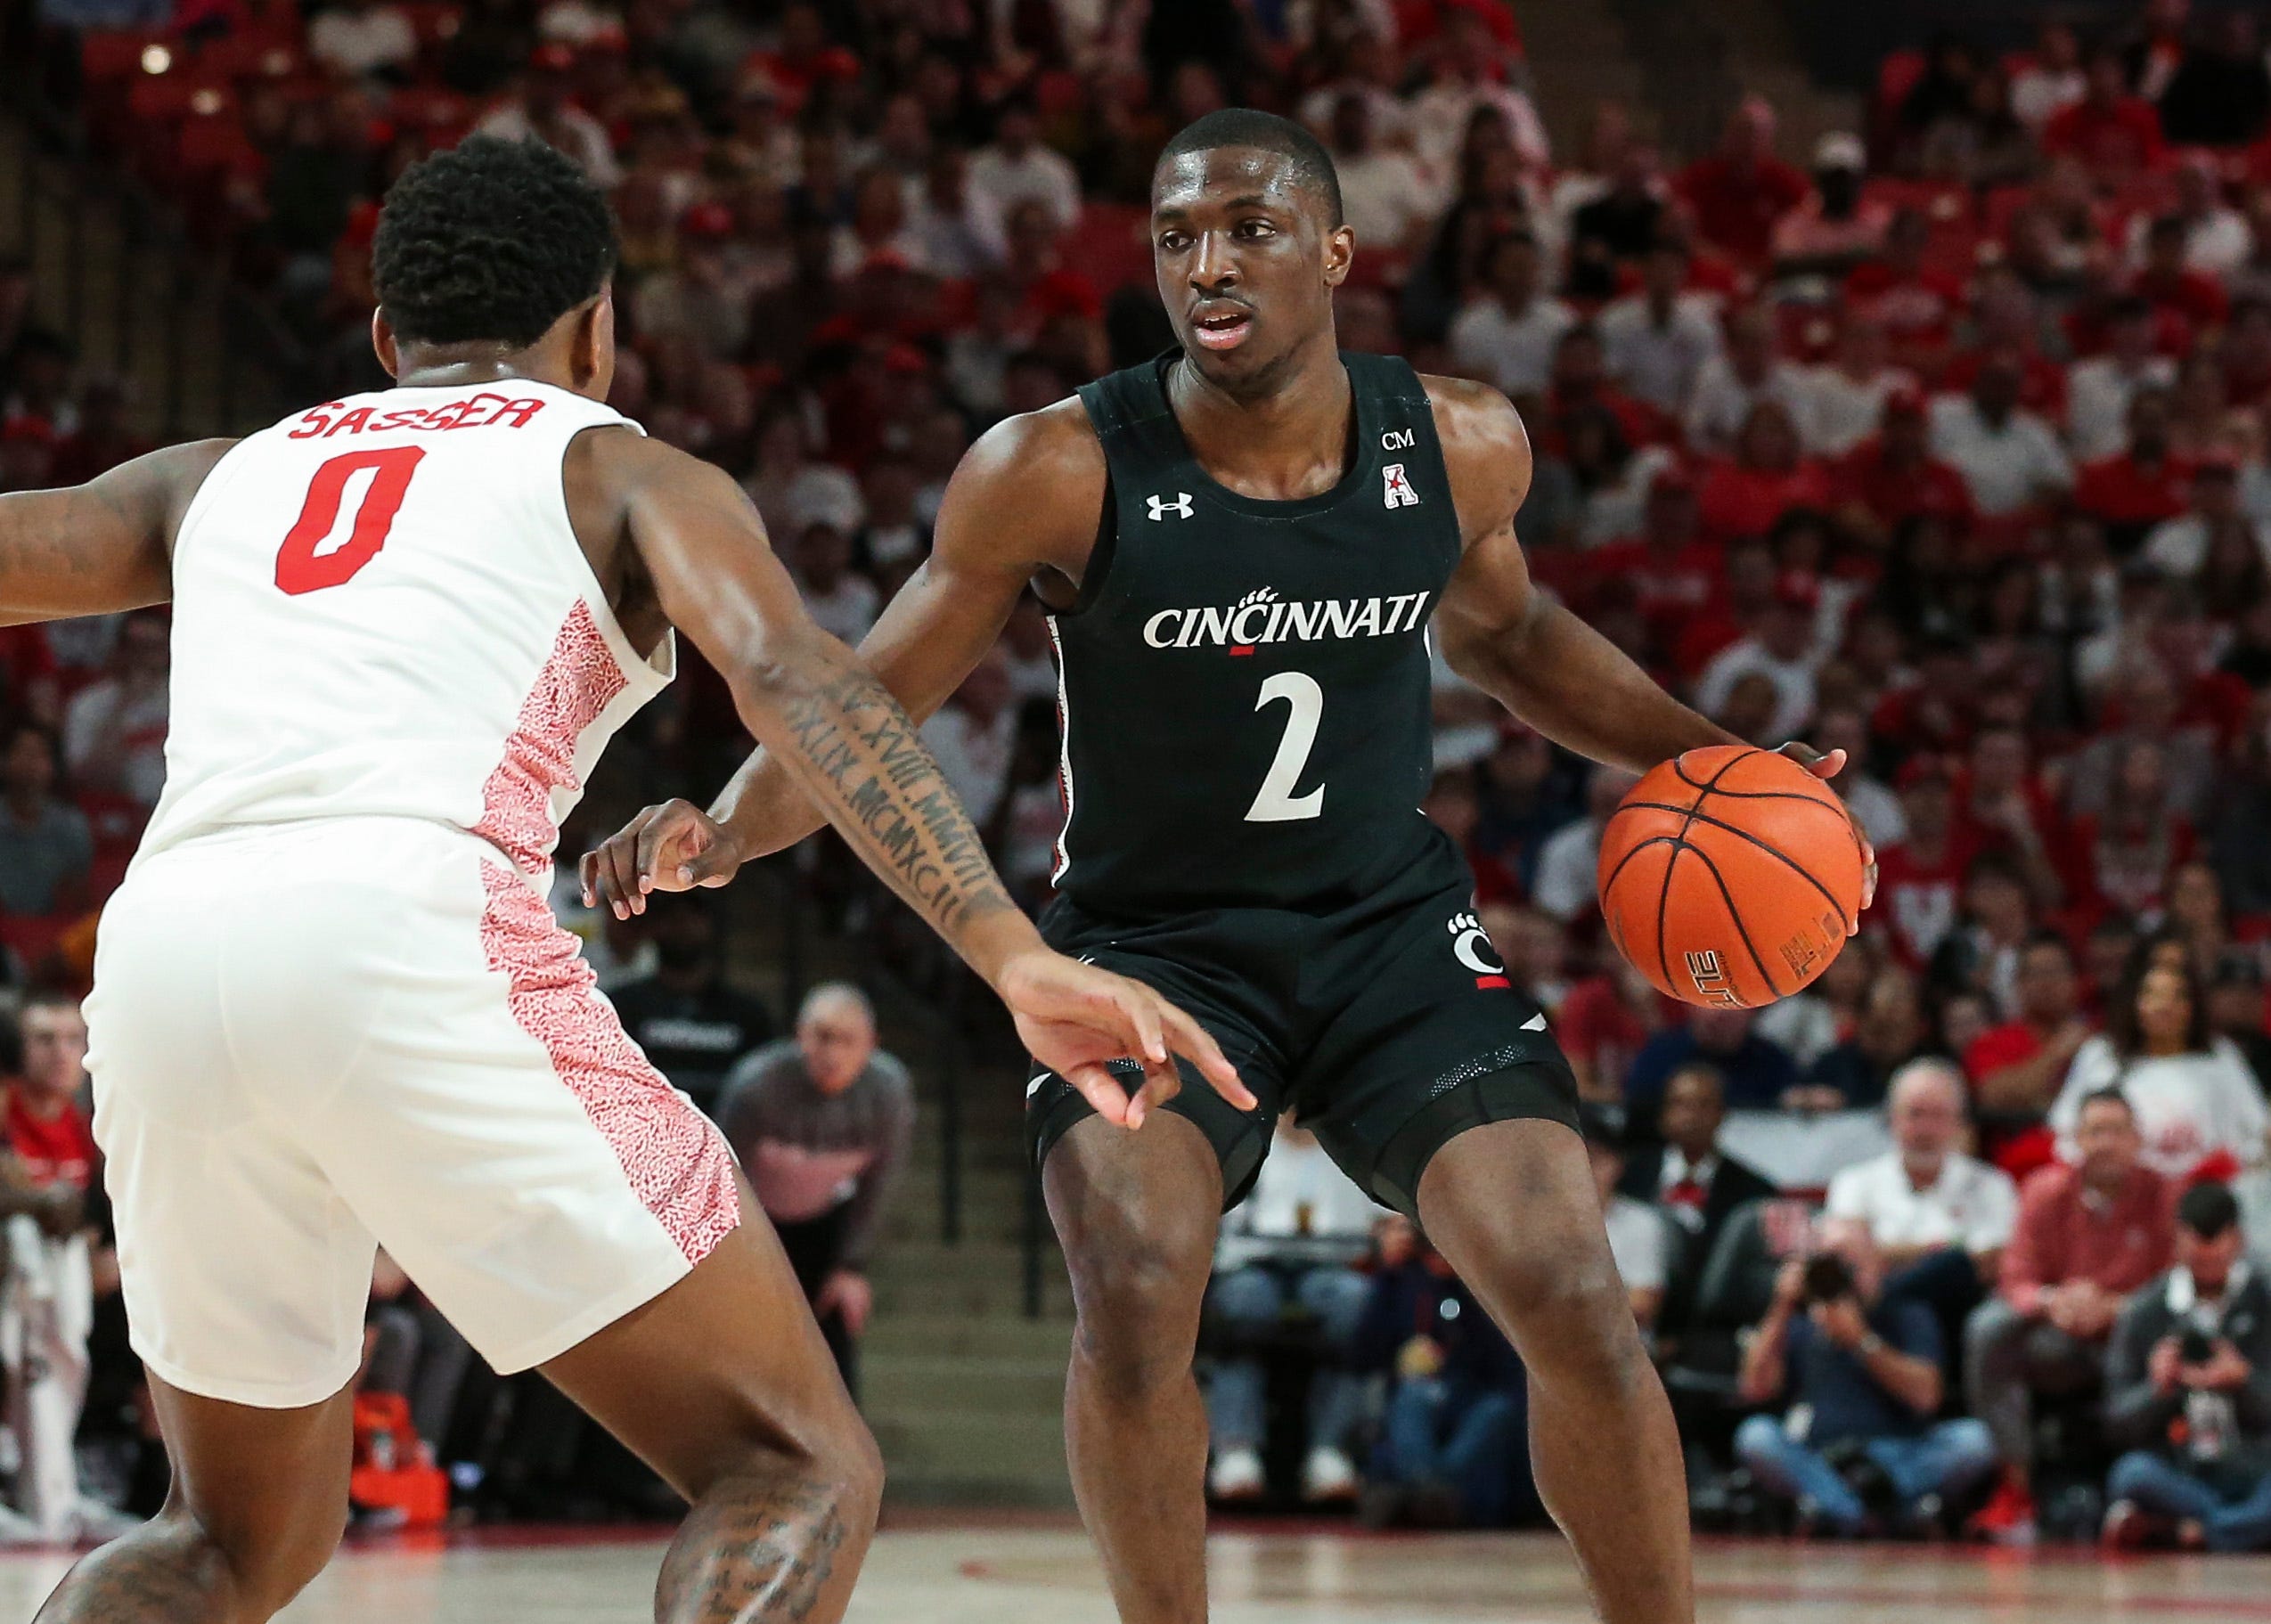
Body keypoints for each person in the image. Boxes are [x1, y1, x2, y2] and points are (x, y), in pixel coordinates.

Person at [587, 108, 1879, 1624]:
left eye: (1250, 230)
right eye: (1176, 236)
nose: (1207, 264)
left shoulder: (1455, 442)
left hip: (1387, 936)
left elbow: (1515, 636)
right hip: (1152, 949)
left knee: (1571, 1288)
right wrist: (726, 825)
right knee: (1135, 1288)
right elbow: (872, 692)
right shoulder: (1053, 467)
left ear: (1332, 253)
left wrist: (1717, 757)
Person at [7, 137, 1241, 1624]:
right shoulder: (617, 465)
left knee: (219, 1539)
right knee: (792, 1462)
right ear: (598, 332)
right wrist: (1002, 942)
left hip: (159, 957)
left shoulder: (217, 475)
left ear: (386, 337)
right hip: (407, 926)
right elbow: (799, 679)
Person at [1965, 1088, 2175, 1543]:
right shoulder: (2044, 1191)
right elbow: (2015, 1276)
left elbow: (2178, 1283)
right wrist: (2054, 1302)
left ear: (2137, 1140)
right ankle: (2015, 1486)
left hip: (2135, 1342)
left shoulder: (2164, 1195)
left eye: (2116, 1131)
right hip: (2058, 1336)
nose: (2105, 1143)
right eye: (2095, 1132)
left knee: (2177, 1333)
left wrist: (2117, 1307)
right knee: (1987, 1329)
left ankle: (2156, 1491)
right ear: (2076, 1140)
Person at [1734, 1220, 1997, 1536]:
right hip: (1821, 1456)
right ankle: (1871, 1513)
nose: (1843, 1275)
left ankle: (1842, 1508)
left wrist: (1861, 1341)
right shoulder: (1803, 1318)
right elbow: (1753, 1387)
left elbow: (1927, 1398)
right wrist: (1782, 1305)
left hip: (1900, 1453)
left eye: (1851, 1263)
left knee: (1975, 1440)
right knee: (1756, 1436)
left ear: (1877, 1264)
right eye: (1831, 1263)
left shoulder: (1906, 1313)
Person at [715, 984, 913, 1394]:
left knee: (836, 1333)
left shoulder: (888, 1092)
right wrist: (732, 1261)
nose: (832, 1054)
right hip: (753, 1227)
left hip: (824, 1226)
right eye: (822, 1037)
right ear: (799, 1036)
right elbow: (721, 1178)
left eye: (847, 1041)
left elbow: (882, 1181)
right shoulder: (756, 1086)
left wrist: (852, 1266)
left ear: (871, 1045)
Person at [0, 992, 135, 1544]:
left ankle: (60, 1485)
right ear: (17, 1048)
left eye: (72, 1040)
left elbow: (99, 1223)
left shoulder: (90, 1128)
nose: (60, 1053)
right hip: (14, 1278)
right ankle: (42, 1489)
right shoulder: (5, 1110)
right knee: (25, 1241)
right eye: (44, 1040)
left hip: (59, 1288)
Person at [1202, 1116, 1380, 1504]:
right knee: (1244, 1303)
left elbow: (1383, 1223)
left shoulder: (1352, 1146)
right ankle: (1236, 1450)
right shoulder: (1248, 1145)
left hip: (1331, 1267)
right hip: (1253, 1266)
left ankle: (1331, 1451)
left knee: (1356, 1301)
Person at [2102, 1181, 2271, 1551]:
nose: (2207, 1263)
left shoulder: (2265, 1301)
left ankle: (2188, 1531)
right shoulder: (2144, 1311)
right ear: (2176, 1240)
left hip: (2256, 1464)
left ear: (2238, 1240)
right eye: (2197, 1255)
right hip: (2180, 1468)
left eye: (2216, 1255)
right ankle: (2238, 1530)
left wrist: (2243, 1380)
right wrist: (2158, 1389)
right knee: (2131, 1474)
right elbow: (2115, 1420)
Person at [1825, 1059, 2018, 1334]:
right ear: (1891, 1118)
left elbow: (1993, 1262)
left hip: (1959, 1315)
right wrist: (1946, 1248)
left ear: (1959, 1122)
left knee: (1954, 1270)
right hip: (1879, 1320)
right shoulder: (1854, 1181)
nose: (1925, 1130)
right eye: (1914, 1114)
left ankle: (1887, 1305)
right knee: (1925, 1296)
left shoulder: (1992, 1185)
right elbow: (1848, 1261)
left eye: (1938, 1116)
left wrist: (1891, 1254)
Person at [2047, 955, 2268, 1183]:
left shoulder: (2220, 1055)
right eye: (2152, 995)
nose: (2164, 1006)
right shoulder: (2101, 1055)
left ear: (2193, 1006)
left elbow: (2257, 1132)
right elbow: (2064, 1133)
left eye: (2177, 996)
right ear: (2133, 1002)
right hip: (2120, 1190)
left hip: (2207, 1191)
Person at [602, 892, 776, 1115]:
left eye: (694, 914)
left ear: (712, 925)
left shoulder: (748, 1015)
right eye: (671, 915)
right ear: (652, 926)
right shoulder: (619, 1007)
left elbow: (765, 1092)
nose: (682, 925)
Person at [0, 722, 92, 918]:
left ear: (53, 765)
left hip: (55, 929)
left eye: (39, 754)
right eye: (23, 752)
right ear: (5, 761)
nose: (30, 763)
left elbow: (78, 893)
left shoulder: (72, 826)